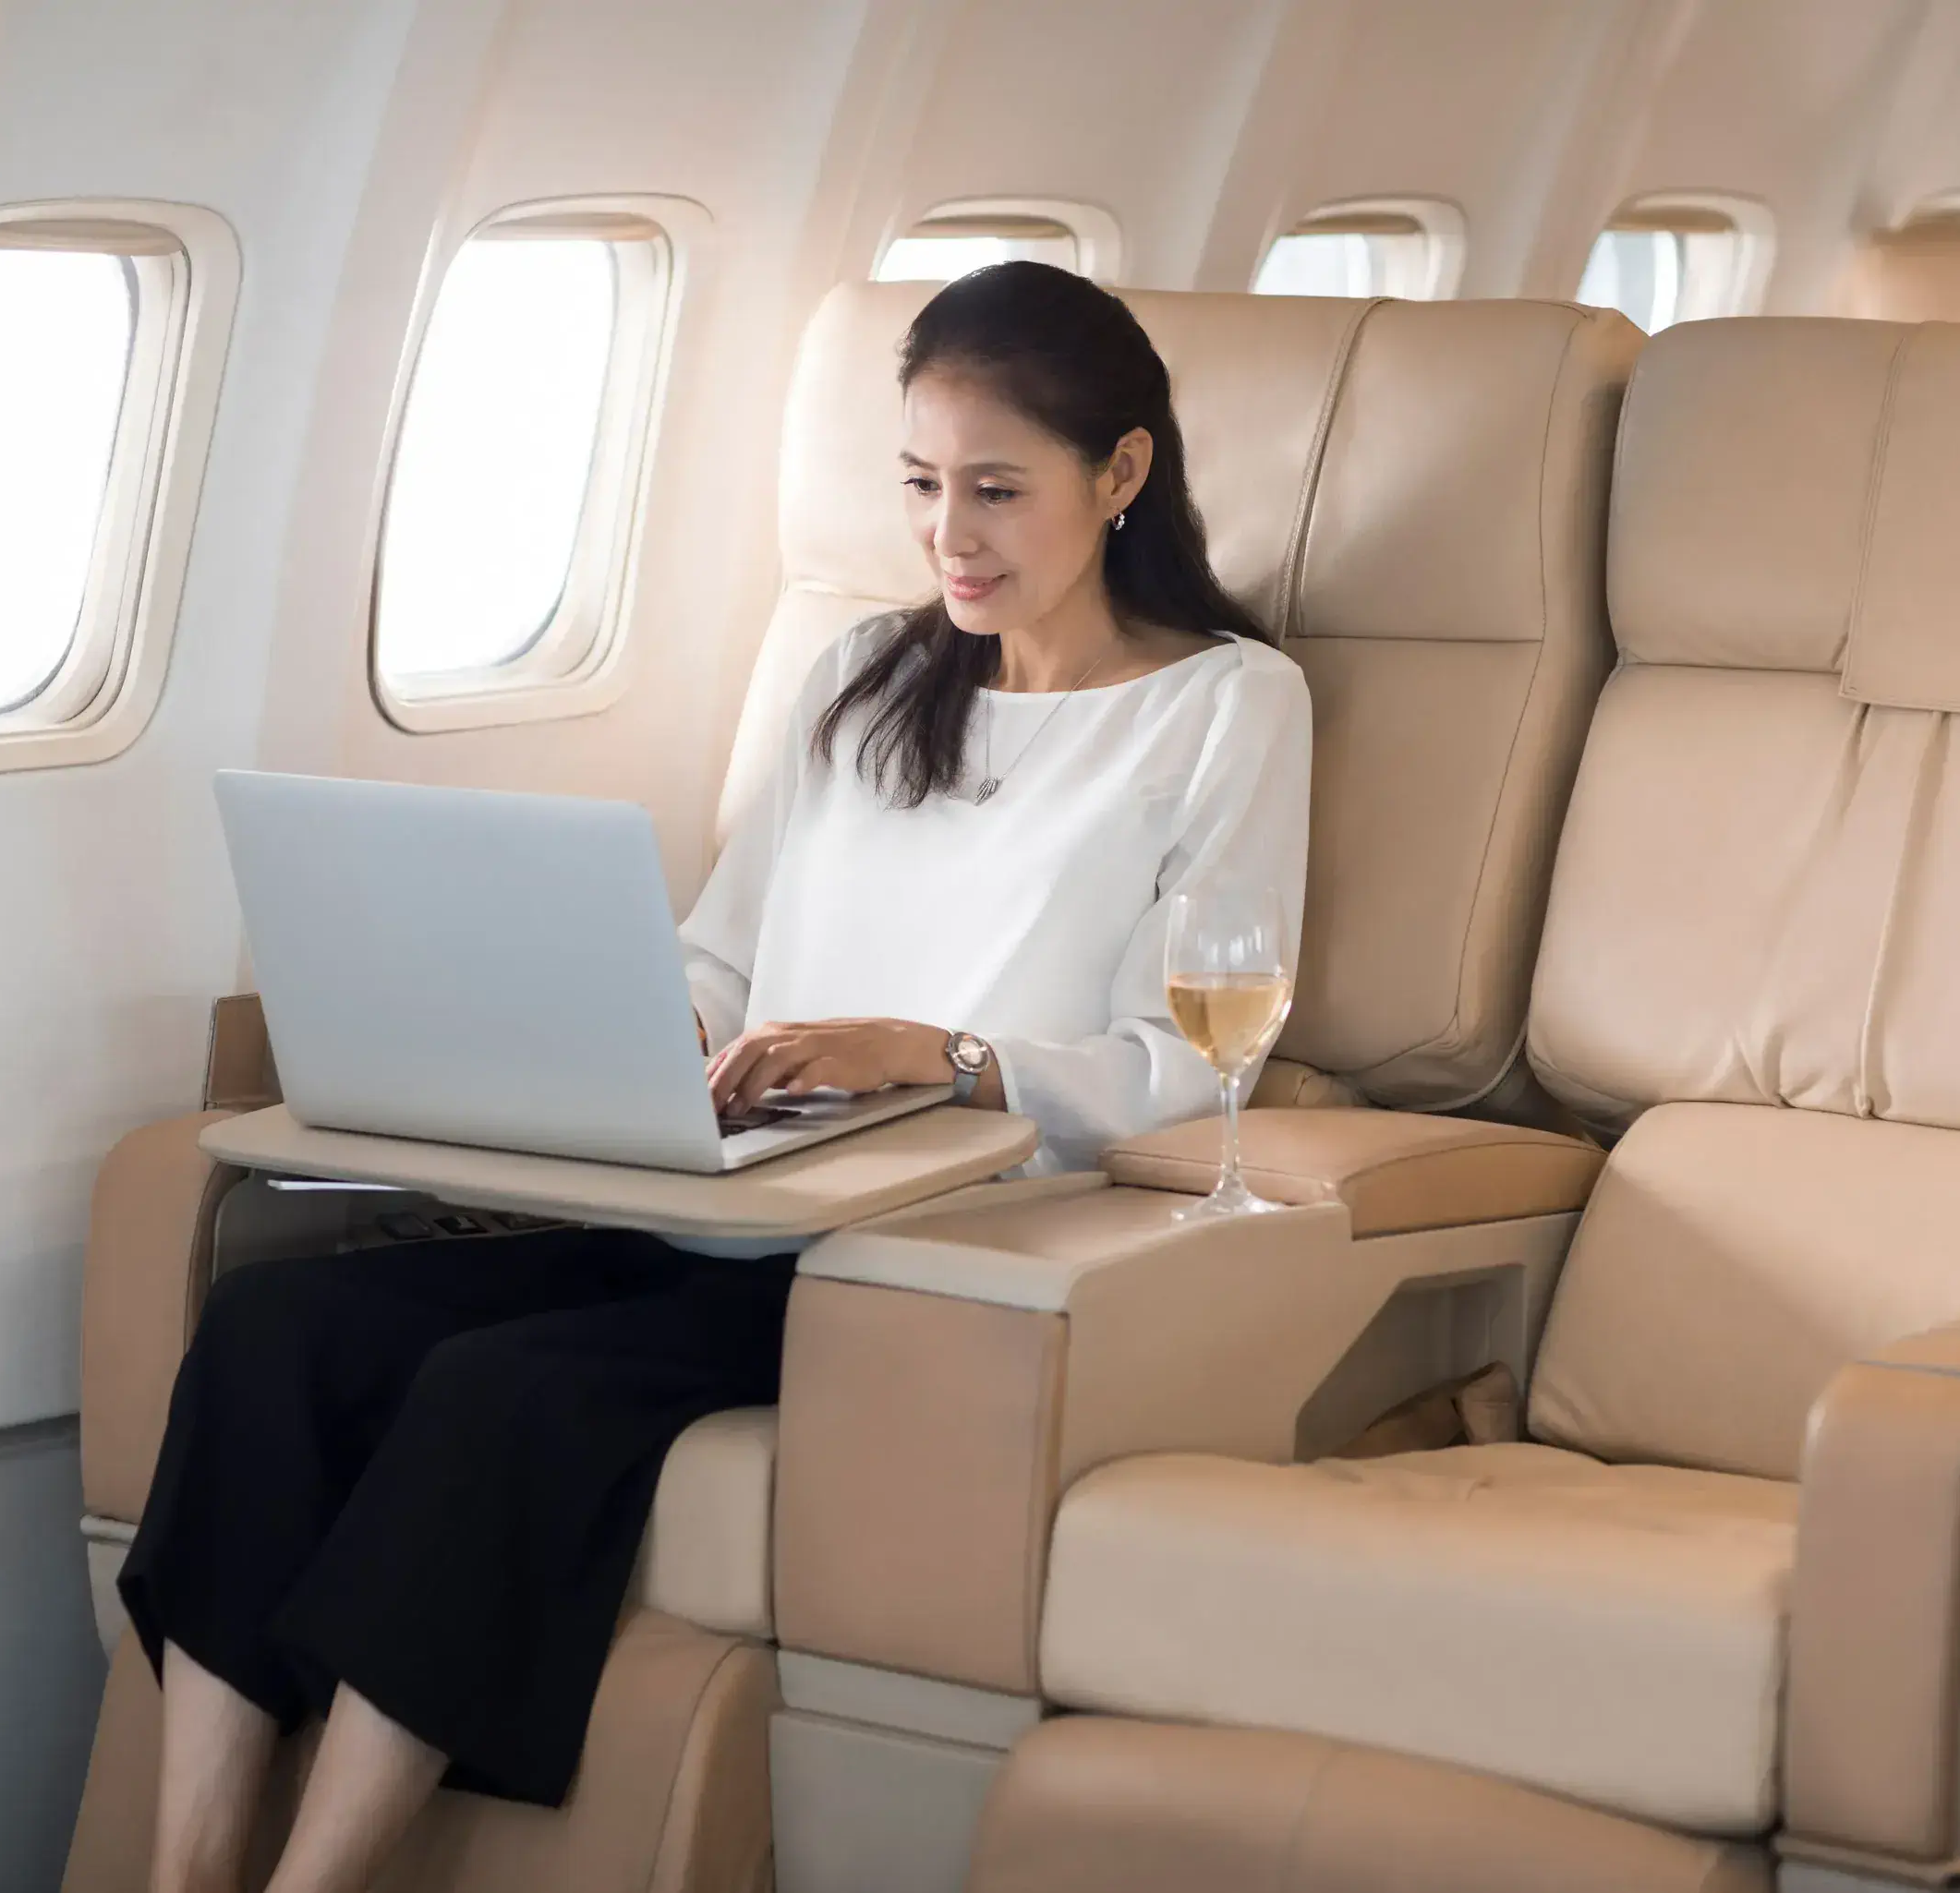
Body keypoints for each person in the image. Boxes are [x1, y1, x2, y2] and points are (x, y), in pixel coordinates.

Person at [120, 259, 1313, 1893]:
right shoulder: (859, 679)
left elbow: (1182, 1066)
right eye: (918, 486)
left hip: (918, 1252)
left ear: (1120, 475)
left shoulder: (1228, 708)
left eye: (994, 490)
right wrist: (666, 1033)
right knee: (274, 1332)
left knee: (496, 1393)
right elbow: (721, 949)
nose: (949, 535)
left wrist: (945, 1057)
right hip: (702, 1192)